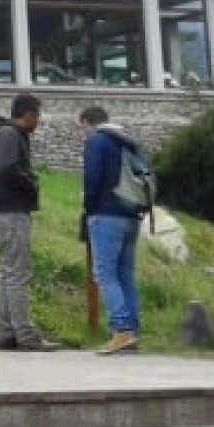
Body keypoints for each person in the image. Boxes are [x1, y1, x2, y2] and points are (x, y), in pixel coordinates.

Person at [0, 93, 61, 352]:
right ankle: (25, 335)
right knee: (18, 273)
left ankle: (7, 332)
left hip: (0, 210)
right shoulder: (9, 135)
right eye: (37, 117)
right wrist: (31, 183)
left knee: (7, 272)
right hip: (10, 211)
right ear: (28, 115)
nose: (38, 123)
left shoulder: (2, 134)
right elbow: (8, 169)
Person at [81, 105, 142, 355]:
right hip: (132, 214)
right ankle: (132, 329)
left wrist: (89, 208)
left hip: (106, 214)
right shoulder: (127, 141)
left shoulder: (97, 140)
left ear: (86, 122)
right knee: (124, 273)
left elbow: (92, 177)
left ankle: (121, 330)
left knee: (104, 273)